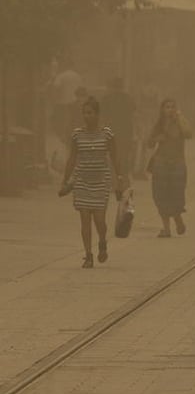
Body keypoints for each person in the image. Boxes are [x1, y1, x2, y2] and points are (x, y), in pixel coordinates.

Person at [59, 97, 124, 268]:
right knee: (85, 219)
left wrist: (120, 179)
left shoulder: (107, 134)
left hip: (101, 182)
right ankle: (88, 254)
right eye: (85, 113)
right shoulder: (77, 135)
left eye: (90, 113)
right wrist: (65, 181)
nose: (87, 116)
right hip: (82, 182)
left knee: (100, 221)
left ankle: (102, 241)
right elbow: (72, 159)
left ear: (97, 114)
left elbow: (115, 157)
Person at [146, 99, 192, 237]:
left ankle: (178, 218)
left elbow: (189, 133)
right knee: (161, 196)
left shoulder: (180, 122)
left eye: (173, 107)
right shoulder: (158, 125)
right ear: (162, 110)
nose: (170, 110)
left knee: (177, 195)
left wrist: (179, 117)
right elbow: (149, 143)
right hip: (161, 163)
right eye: (167, 107)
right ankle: (166, 228)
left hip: (177, 163)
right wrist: (156, 139)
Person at [101, 78, 136, 182]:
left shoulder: (106, 99)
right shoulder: (128, 98)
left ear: (111, 86)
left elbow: (102, 116)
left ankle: (113, 181)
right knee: (124, 156)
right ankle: (124, 180)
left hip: (111, 131)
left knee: (112, 157)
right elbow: (133, 112)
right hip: (126, 132)